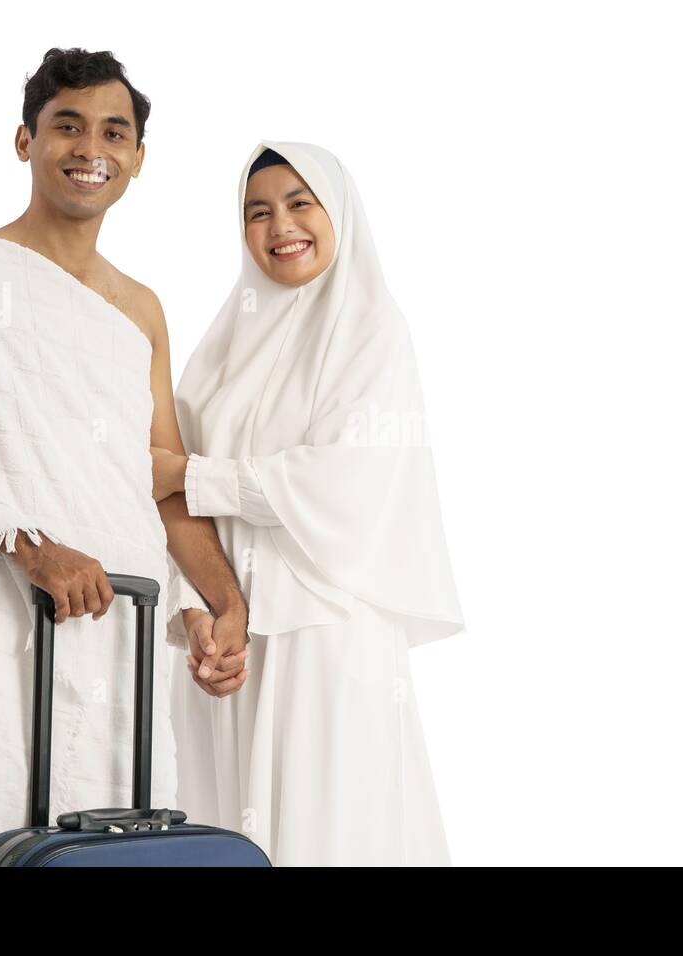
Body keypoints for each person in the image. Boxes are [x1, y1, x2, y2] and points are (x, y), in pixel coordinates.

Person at [0, 47, 243, 866]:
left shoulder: (141, 309)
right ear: (24, 140)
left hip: (125, 630)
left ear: (139, 158)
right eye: (66, 124)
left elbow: (160, 477)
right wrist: (29, 545)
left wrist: (215, 606)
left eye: (114, 131)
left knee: (119, 844)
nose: (90, 147)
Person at [152, 142, 464, 865]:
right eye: (257, 211)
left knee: (326, 835)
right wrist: (192, 615)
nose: (279, 225)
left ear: (338, 213)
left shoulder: (371, 330)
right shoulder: (223, 345)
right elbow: (166, 508)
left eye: (300, 203)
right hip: (228, 656)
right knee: (226, 838)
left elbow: (343, 483)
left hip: (325, 641)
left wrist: (195, 474)